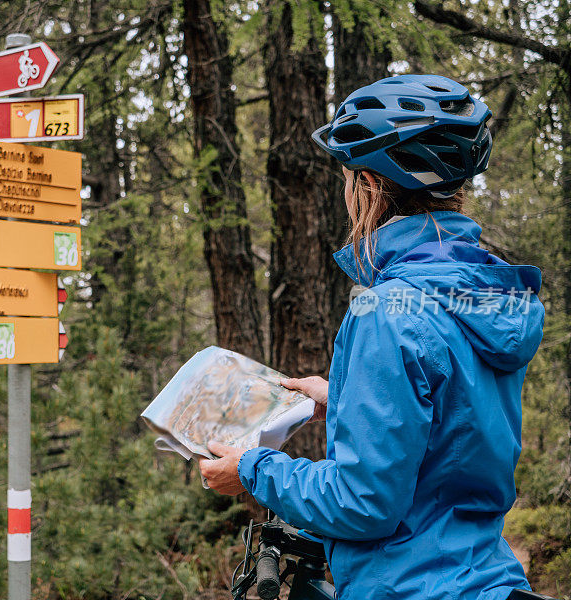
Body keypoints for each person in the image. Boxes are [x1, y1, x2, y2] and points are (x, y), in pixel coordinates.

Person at [198, 74, 547, 600]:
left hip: (410, 587)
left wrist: (252, 470)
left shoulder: (385, 312)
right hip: (485, 577)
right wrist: (343, 398)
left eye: (347, 177)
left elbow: (363, 504)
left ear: (370, 187)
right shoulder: (486, 294)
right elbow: (453, 424)